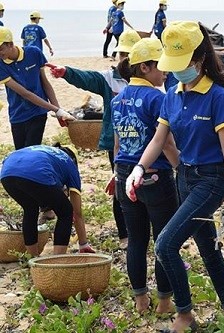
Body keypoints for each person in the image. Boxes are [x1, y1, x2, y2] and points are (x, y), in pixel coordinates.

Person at [126, 21, 224, 332]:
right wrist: (138, 168)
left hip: (211, 180)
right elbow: (159, 139)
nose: (175, 72)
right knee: (206, 244)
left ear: (199, 60)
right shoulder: (172, 94)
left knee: (164, 245)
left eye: (182, 65)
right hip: (184, 178)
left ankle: (185, 315)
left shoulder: (218, 97)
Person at [45, 30, 142, 250]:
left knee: (144, 186)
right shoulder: (109, 79)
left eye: (128, 54)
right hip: (118, 143)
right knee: (120, 184)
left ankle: (141, 229)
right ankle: (124, 233)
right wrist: (66, 72)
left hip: (144, 143)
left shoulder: (149, 79)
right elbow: (88, 77)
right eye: (121, 54)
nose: (123, 59)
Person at [112, 37, 179, 314]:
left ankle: (140, 298)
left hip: (124, 175)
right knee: (164, 240)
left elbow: (118, 143)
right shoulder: (158, 98)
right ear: (144, 68)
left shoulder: (117, 101)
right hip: (154, 176)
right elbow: (166, 142)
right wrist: (181, 168)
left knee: (136, 240)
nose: (165, 70)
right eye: (159, 65)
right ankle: (164, 300)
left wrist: (117, 173)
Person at [0, 144, 95, 256]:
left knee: (30, 209)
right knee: (66, 212)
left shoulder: (45, 150)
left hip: (7, 173)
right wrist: (83, 244)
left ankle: (32, 258)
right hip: (36, 173)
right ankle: (57, 260)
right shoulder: (69, 163)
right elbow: (77, 212)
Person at [0, 27, 74, 150]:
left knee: (31, 152)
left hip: (38, 112)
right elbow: (25, 94)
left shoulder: (34, 53)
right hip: (17, 114)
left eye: (0, 49)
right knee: (21, 153)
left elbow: (45, 83)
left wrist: (59, 111)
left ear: (11, 44)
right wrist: (56, 110)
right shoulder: (1, 64)